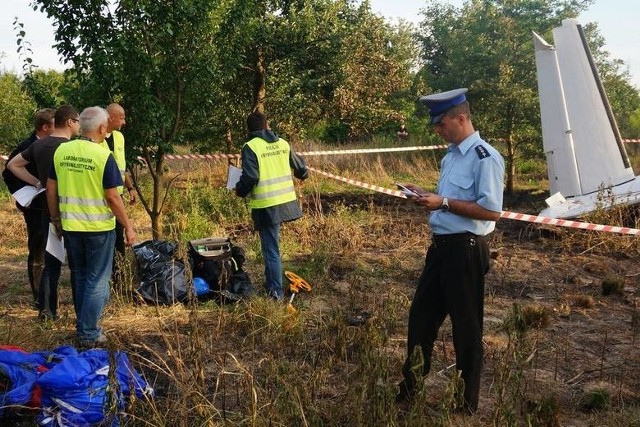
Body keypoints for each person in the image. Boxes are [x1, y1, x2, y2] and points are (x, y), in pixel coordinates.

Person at [396, 88, 505, 413]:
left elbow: (491, 210)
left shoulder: (486, 157)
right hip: (441, 250)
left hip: (466, 251)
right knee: (421, 320)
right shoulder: (451, 155)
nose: (438, 130)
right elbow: (449, 201)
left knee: (466, 327)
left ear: (461, 118)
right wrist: (426, 195)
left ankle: (465, 403)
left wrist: (441, 201)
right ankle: (409, 391)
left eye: (442, 124)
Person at [46, 106, 137, 346]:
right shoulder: (102, 155)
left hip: (71, 226)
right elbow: (112, 197)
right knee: (97, 281)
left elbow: (51, 188)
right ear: (101, 128)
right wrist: (128, 225)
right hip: (98, 229)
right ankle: (87, 332)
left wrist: (56, 219)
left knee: (80, 276)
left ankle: (83, 324)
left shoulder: (62, 151)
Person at [7, 105, 81, 320]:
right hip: (74, 212)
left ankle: (47, 312)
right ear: (69, 122)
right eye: (77, 120)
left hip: (48, 212)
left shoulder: (38, 147)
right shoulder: (74, 148)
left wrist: (37, 183)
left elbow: (12, 165)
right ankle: (81, 314)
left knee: (51, 264)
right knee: (77, 267)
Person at [234, 111, 308, 300]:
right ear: (267, 125)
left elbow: (250, 176)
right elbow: (301, 169)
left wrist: (239, 190)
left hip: (267, 205)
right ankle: (271, 285)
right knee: (272, 245)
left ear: (248, 130)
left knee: (271, 250)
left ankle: (275, 293)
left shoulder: (250, 146)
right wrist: (303, 175)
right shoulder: (283, 143)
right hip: (285, 202)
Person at [2, 108, 55, 308]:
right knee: (38, 250)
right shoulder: (27, 146)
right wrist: (31, 187)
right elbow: (9, 173)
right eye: (53, 124)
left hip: (50, 206)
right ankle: (38, 296)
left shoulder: (54, 144)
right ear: (44, 127)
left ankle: (49, 292)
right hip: (35, 207)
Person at [100, 103, 136, 287]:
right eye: (121, 117)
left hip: (118, 195)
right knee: (105, 238)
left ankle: (119, 279)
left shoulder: (120, 137)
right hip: (102, 197)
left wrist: (130, 187)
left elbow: (122, 166)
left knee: (118, 237)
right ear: (110, 117)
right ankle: (104, 278)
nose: (124, 121)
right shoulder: (96, 138)